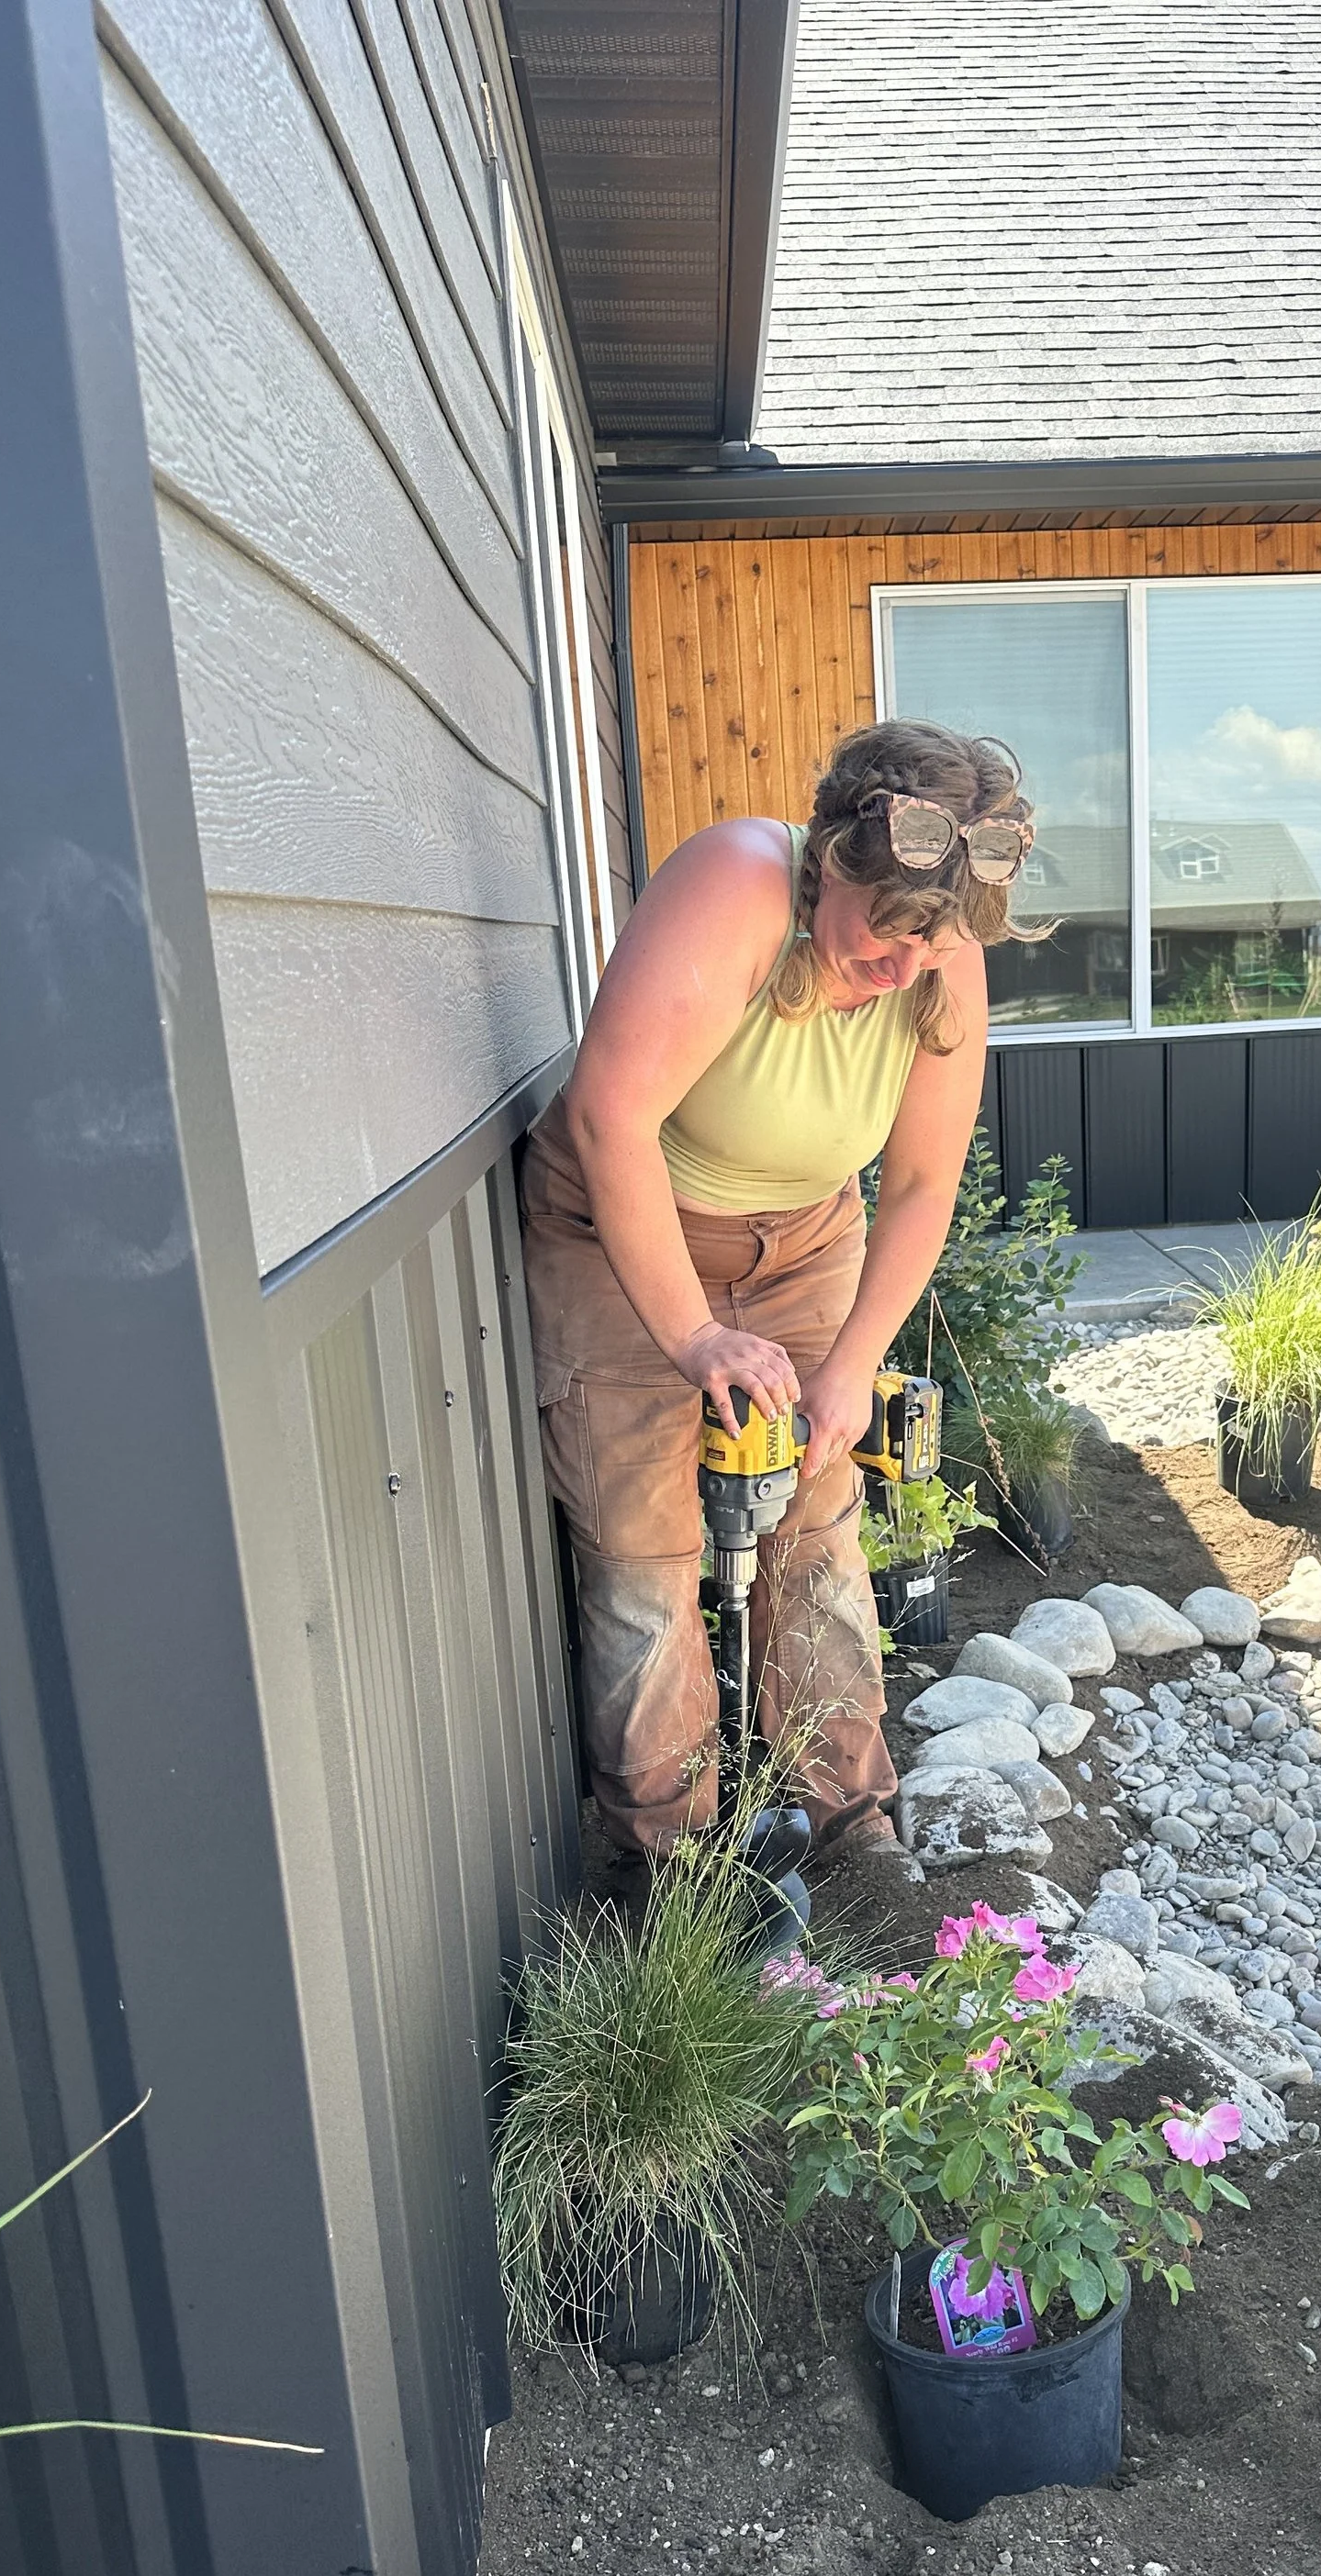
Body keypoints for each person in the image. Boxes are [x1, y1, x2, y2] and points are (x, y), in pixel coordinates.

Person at [521, 720, 1035, 1867]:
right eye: (885, 933)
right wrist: (694, 1336)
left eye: (935, 942)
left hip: (802, 1240)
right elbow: (613, 1120)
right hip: (620, 1222)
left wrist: (848, 1370)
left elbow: (918, 1186)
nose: (906, 969)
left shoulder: (937, 955)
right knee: (645, 1546)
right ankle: (675, 1862)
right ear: (827, 860)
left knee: (815, 1528)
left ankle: (853, 1837)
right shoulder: (736, 886)